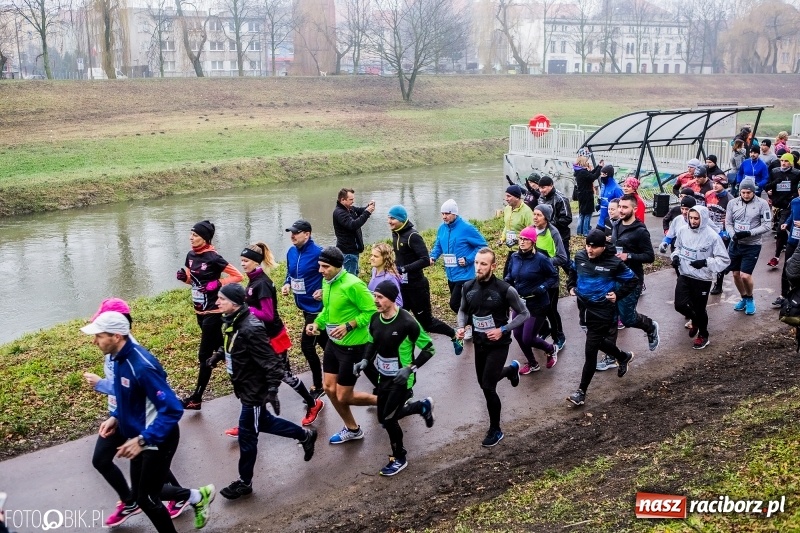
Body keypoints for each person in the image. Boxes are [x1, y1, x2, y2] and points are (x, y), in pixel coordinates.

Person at [81, 312, 215, 532]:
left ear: (116, 336)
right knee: (142, 496)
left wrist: (142, 440)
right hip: (141, 438)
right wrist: (116, 418)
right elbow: (131, 396)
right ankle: (197, 496)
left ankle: (198, 496)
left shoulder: (140, 366)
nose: (94, 341)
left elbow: (172, 409)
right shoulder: (120, 359)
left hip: (157, 439)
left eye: (98, 336)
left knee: (147, 498)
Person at [207, 284, 317, 500]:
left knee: (247, 438)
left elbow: (271, 362)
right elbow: (232, 344)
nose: (217, 302)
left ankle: (244, 482)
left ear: (235, 302)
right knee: (265, 422)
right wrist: (219, 354)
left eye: (221, 299)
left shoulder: (251, 327)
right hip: (244, 387)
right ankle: (305, 435)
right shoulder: (233, 321)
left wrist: (273, 390)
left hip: (254, 393)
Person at [236, 242, 323, 434]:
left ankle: (313, 404)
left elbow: (267, 314)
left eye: (245, 261)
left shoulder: (262, 283)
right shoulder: (253, 280)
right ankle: (249, 419)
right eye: (241, 260)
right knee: (258, 375)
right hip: (262, 337)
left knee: (284, 375)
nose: (242, 264)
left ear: (256, 262)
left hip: (273, 337)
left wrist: (245, 309)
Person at [354, 280, 436, 476]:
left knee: (388, 419)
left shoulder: (408, 322)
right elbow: (372, 343)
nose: (376, 300)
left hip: (402, 380)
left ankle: (399, 457)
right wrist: (365, 361)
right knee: (384, 418)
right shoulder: (375, 319)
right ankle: (420, 406)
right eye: (375, 296)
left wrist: (410, 369)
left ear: (391, 299)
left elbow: (429, 349)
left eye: (380, 297)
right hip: (384, 378)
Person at [456, 248, 530, 447]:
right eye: (477, 263)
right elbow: (462, 310)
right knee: (483, 382)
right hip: (480, 343)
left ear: (493, 266)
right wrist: (461, 327)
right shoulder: (467, 287)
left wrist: (502, 329)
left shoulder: (505, 290)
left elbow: (524, 314)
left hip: (499, 343)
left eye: (483, 264)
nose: (478, 268)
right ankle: (511, 370)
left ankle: (495, 429)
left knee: (488, 387)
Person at [307, 246, 378, 444]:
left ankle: (387, 402)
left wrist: (350, 325)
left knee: (344, 395)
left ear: (339, 266)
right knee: (329, 389)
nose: (320, 270)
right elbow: (328, 311)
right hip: (334, 344)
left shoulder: (353, 285)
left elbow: (372, 311)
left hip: (354, 347)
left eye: (325, 266)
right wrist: (317, 323)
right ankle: (353, 429)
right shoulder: (328, 282)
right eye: (319, 265)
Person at [176, 220, 243, 410]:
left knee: (204, 354)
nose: (191, 238)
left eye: (195, 235)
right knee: (221, 348)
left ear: (205, 238)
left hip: (213, 312)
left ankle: (196, 397)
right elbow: (195, 281)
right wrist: (185, 278)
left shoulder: (214, 258)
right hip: (199, 311)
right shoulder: (190, 256)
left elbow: (238, 276)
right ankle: (244, 363)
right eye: (190, 234)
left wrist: (218, 284)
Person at [566, 230, 637, 407]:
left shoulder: (613, 263)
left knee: (590, 350)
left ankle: (581, 392)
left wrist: (618, 294)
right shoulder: (580, 257)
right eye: (588, 245)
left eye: (594, 247)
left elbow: (633, 280)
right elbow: (573, 272)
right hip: (583, 308)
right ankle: (623, 356)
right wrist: (571, 286)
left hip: (603, 311)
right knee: (595, 342)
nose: (590, 249)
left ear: (603, 247)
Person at [389, 204, 464, 355]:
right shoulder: (395, 233)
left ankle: (454, 335)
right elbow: (401, 258)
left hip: (417, 286)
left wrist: (404, 269)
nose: (389, 221)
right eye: (388, 218)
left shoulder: (412, 236)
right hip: (403, 285)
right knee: (396, 317)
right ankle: (396, 351)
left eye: (392, 218)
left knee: (427, 323)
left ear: (401, 219)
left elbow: (425, 260)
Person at [671, 206, 731, 350]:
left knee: (699, 309)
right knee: (679, 305)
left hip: (702, 278)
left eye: (696, 218)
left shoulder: (712, 236)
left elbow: (724, 260)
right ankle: (696, 321)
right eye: (690, 218)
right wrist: (675, 257)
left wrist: (705, 262)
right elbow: (677, 247)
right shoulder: (682, 231)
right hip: (685, 274)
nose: (692, 221)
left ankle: (703, 335)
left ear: (703, 218)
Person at [504, 227, 560, 374]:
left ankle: (550, 349)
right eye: (520, 239)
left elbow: (553, 277)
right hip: (519, 302)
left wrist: (543, 287)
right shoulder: (515, 257)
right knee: (517, 334)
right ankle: (532, 363)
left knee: (528, 338)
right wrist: (507, 281)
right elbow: (510, 274)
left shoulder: (541, 259)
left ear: (533, 242)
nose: (522, 242)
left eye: (525, 239)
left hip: (538, 304)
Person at [282, 220, 327, 398]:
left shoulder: (319, 253)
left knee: (307, 346)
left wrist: (324, 289)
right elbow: (290, 272)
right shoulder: (291, 252)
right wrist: (287, 283)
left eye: (296, 232)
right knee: (326, 343)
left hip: (317, 308)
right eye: (291, 232)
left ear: (307, 234)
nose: (292, 235)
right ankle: (350, 364)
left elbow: (335, 273)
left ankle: (318, 385)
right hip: (304, 307)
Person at [609, 195, 659, 351]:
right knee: (610, 317)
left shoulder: (640, 231)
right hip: (614, 276)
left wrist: (628, 256)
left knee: (628, 319)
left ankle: (650, 327)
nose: (621, 210)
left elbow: (650, 256)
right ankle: (611, 356)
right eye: (620, 207)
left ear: (634, 209)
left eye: (625, 207)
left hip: (632, 280)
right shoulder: (616, 225)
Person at [430, 199, 488, 318]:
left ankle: (473, 323)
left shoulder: (466, 228)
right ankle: (472, 324)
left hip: (465, 275)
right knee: (463, 304)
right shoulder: (442, 228)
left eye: (447, 213)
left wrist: (468, 259)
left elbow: (482, 245)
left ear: (454, 213)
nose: (444, 217)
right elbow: (438, 245)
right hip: (451, 274)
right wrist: (433, 256)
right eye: (442, 214)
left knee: (454, 304)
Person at [725, 179, 772, 315]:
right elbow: (728, 223)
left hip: (752, 245)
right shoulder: (732, 203)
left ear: (754, 192)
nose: (745, 195)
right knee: (735, 274)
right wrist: (733, 234)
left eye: (748, 193)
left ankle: (750, 298)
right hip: (736, 244)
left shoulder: (762, 204)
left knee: (745, 275)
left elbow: (767, 225)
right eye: (743, 192)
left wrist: (749, 233)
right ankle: (743, 297)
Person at [530, 204, 569, 350]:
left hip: (550, 279)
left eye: (539, 215)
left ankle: (559, 336)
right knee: (534, 307)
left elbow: (562, 257)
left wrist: (543, 262)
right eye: (534, 214)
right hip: (534, 278)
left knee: (550, 309)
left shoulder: (553, 233)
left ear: (546, 218)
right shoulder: (530, 230)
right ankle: (544, 329)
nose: (535, 217)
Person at [764, 153, 800, 271]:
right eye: (782, 161)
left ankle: (776, 256)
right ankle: (790, 245)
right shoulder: (775, 172)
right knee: (786, 229)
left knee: (781, 229)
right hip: (776, 206)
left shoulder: (796, 174)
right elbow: (767, 186)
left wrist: (794, 195)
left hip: (788, 206)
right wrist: (772, 188)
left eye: (786, 161)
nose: (783, 163)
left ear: (791, 162)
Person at [332, 188, 375, 275]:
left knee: (354, 276)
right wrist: (367, 212)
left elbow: (360, 210)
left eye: (353, 199)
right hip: (347, 252)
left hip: (353, 251)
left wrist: (368, 206)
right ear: (342, 200)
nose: (353, 201)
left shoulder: (349, 208)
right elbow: (353, 225)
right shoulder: (339, 213)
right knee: (350, 279)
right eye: (351, 199)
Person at [705, 175, 734, 295]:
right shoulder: (709, 194)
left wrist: (727, 231)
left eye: (718, 183)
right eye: (714, 183)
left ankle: (719, 284)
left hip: (723, 232)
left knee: (719, 257)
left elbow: (733, 218)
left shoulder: (730, 199)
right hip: (709, 230)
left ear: (724, 185)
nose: (715, 185)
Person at [776, 181, 800, 310]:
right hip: (793, 240)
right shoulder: (795, 201)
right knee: (787, 267)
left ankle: (796, 296)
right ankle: (783, 295)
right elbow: (792, 214)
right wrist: (787, 223)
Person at [537, 175, 572, 246]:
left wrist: (549, 225)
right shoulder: (541, 197)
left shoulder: (561, 199)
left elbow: (567, 218)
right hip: (545, 235)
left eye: (543, 187)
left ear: (551, 186)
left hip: (560, 236)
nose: (541, 190)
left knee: (562, 256)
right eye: (540, 188)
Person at [574, 152, 601, 236]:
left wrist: (597, 167)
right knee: (587, 213)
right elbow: (593, 177)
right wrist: (600, 168)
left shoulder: (579, 171)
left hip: (581, 194)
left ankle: (580, 231)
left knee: (582, 213)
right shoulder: (583, 172)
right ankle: (585, 232)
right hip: (587, 194)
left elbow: (590, 174)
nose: (587, 162)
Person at [368, 243, 403, 307]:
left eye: (375, 256)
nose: (371, 258)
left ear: (385, 258)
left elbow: (399, 304)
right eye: (371, 255)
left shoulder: (390, 278)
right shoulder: (374, 270)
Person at [596, 164, 623, 231]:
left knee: (609, 240)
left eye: (604, 174)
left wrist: (608, 204)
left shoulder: (617, 188)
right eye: (601, 174)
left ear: (609, 175)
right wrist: (599, 204)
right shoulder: (603, 185)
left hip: (611, 221)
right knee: (595, 238)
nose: (601, 176)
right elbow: (602, 197)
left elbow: (621, 205)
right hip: (601, 221)